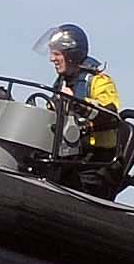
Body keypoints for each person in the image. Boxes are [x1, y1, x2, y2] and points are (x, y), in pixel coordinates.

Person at [34, 23, 125, 199]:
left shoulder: (99, 81)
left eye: (56, 54)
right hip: (69, 156)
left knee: (64, 181)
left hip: (97, 163)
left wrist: (77, 103)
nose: (52, 59)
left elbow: (110, 115)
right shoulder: (62, 82)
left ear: (71, 56)